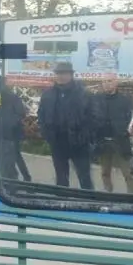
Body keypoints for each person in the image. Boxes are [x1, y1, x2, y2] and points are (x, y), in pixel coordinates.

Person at [36, 62, 95, 190]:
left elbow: (92, 117)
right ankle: (61, 203)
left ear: (71, 75)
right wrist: (46, 134)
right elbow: (41, 115)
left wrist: (86, 136)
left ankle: (89, 202)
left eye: (64, 73)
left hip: (79, 143)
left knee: (84, 178)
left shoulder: (83, 94)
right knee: (61, 178)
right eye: (58, 73)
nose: (61, 76)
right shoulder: (48, 94)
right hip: (57, 142)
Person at [92, 75, 133, 194]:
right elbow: (92, 116)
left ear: (116, 82)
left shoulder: (125, 99)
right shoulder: (96, 99)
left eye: (110, 81)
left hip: (121, 141)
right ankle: (108, 195)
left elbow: (132, 118)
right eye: (104, 81)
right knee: (105, 173)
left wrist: (126, 132)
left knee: (127, 174)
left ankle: (132, 198)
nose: (107, 83)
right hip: (103, 141)